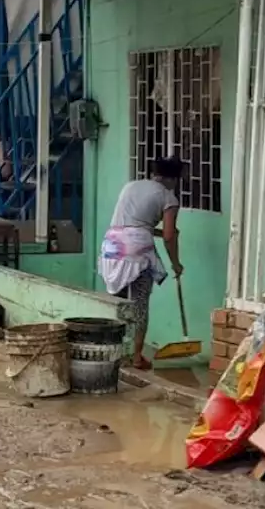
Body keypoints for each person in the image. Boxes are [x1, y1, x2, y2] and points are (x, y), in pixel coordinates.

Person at [99, 157, 184, 370]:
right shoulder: (168, 197)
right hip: (137, 252)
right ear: (173, 179)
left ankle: (112, 351)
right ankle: (136, 357)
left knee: (117, 303)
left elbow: (133, 224)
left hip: (111, 245)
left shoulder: (131, 185)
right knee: (139, 303)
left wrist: (163, 232)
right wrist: (176, 264)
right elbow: (168, 237)